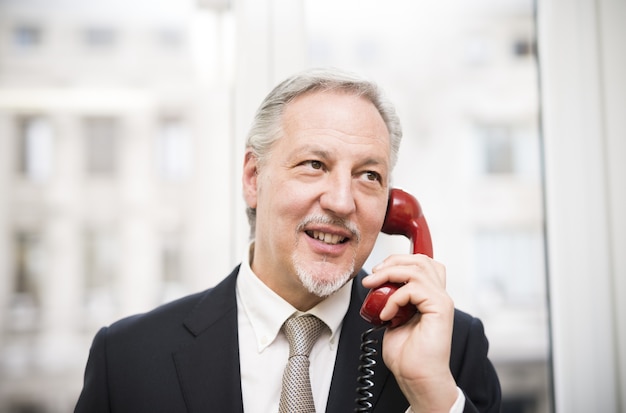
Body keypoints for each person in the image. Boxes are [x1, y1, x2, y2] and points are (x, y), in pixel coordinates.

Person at [74, 67, 501, 413]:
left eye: (369, 176)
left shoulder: (452, 349)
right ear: (253, 178)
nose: (341, 201)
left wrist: (431, 396)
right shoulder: (128, 359)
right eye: (314, 164)